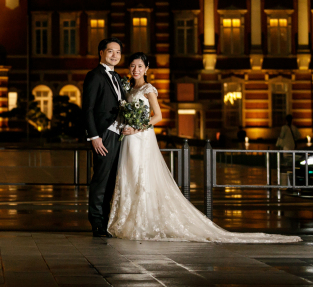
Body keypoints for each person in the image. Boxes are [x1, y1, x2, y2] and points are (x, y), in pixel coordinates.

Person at [106, 52, 300, 243]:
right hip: (129, 139)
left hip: (141, 137)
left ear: (146, 68)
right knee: (129, 175)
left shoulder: (148, 89)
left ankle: (142, 222)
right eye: (133, 66)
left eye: (140, 66)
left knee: (143, 176)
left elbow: (158, 116)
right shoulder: (129, 91)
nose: (136, 69)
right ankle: (128, 220)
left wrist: (137, 128)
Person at [83, 37, 135, 238]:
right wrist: (94, 136)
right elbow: (87, 109)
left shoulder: (118, 77)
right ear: (101, 53)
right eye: (111, 51)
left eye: (118, 52)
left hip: (119, 135)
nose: (115, 55)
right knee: (101, 179)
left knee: (112, 180)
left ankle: (105, 222)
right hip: (103, 135)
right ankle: (96, 222)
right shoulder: (94, 75)